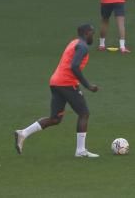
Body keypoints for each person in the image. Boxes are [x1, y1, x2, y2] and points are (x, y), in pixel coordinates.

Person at [13, 24, 99, 158]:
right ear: (87, 33)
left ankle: (23, 133)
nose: (93, 36)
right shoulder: (82, 46)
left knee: (55, 119)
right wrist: (88, 85)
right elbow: (74, 66)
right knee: (84, 113)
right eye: (92, 33)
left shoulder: (74, 43)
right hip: (67, 83)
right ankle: (80, 151)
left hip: (56, 82)